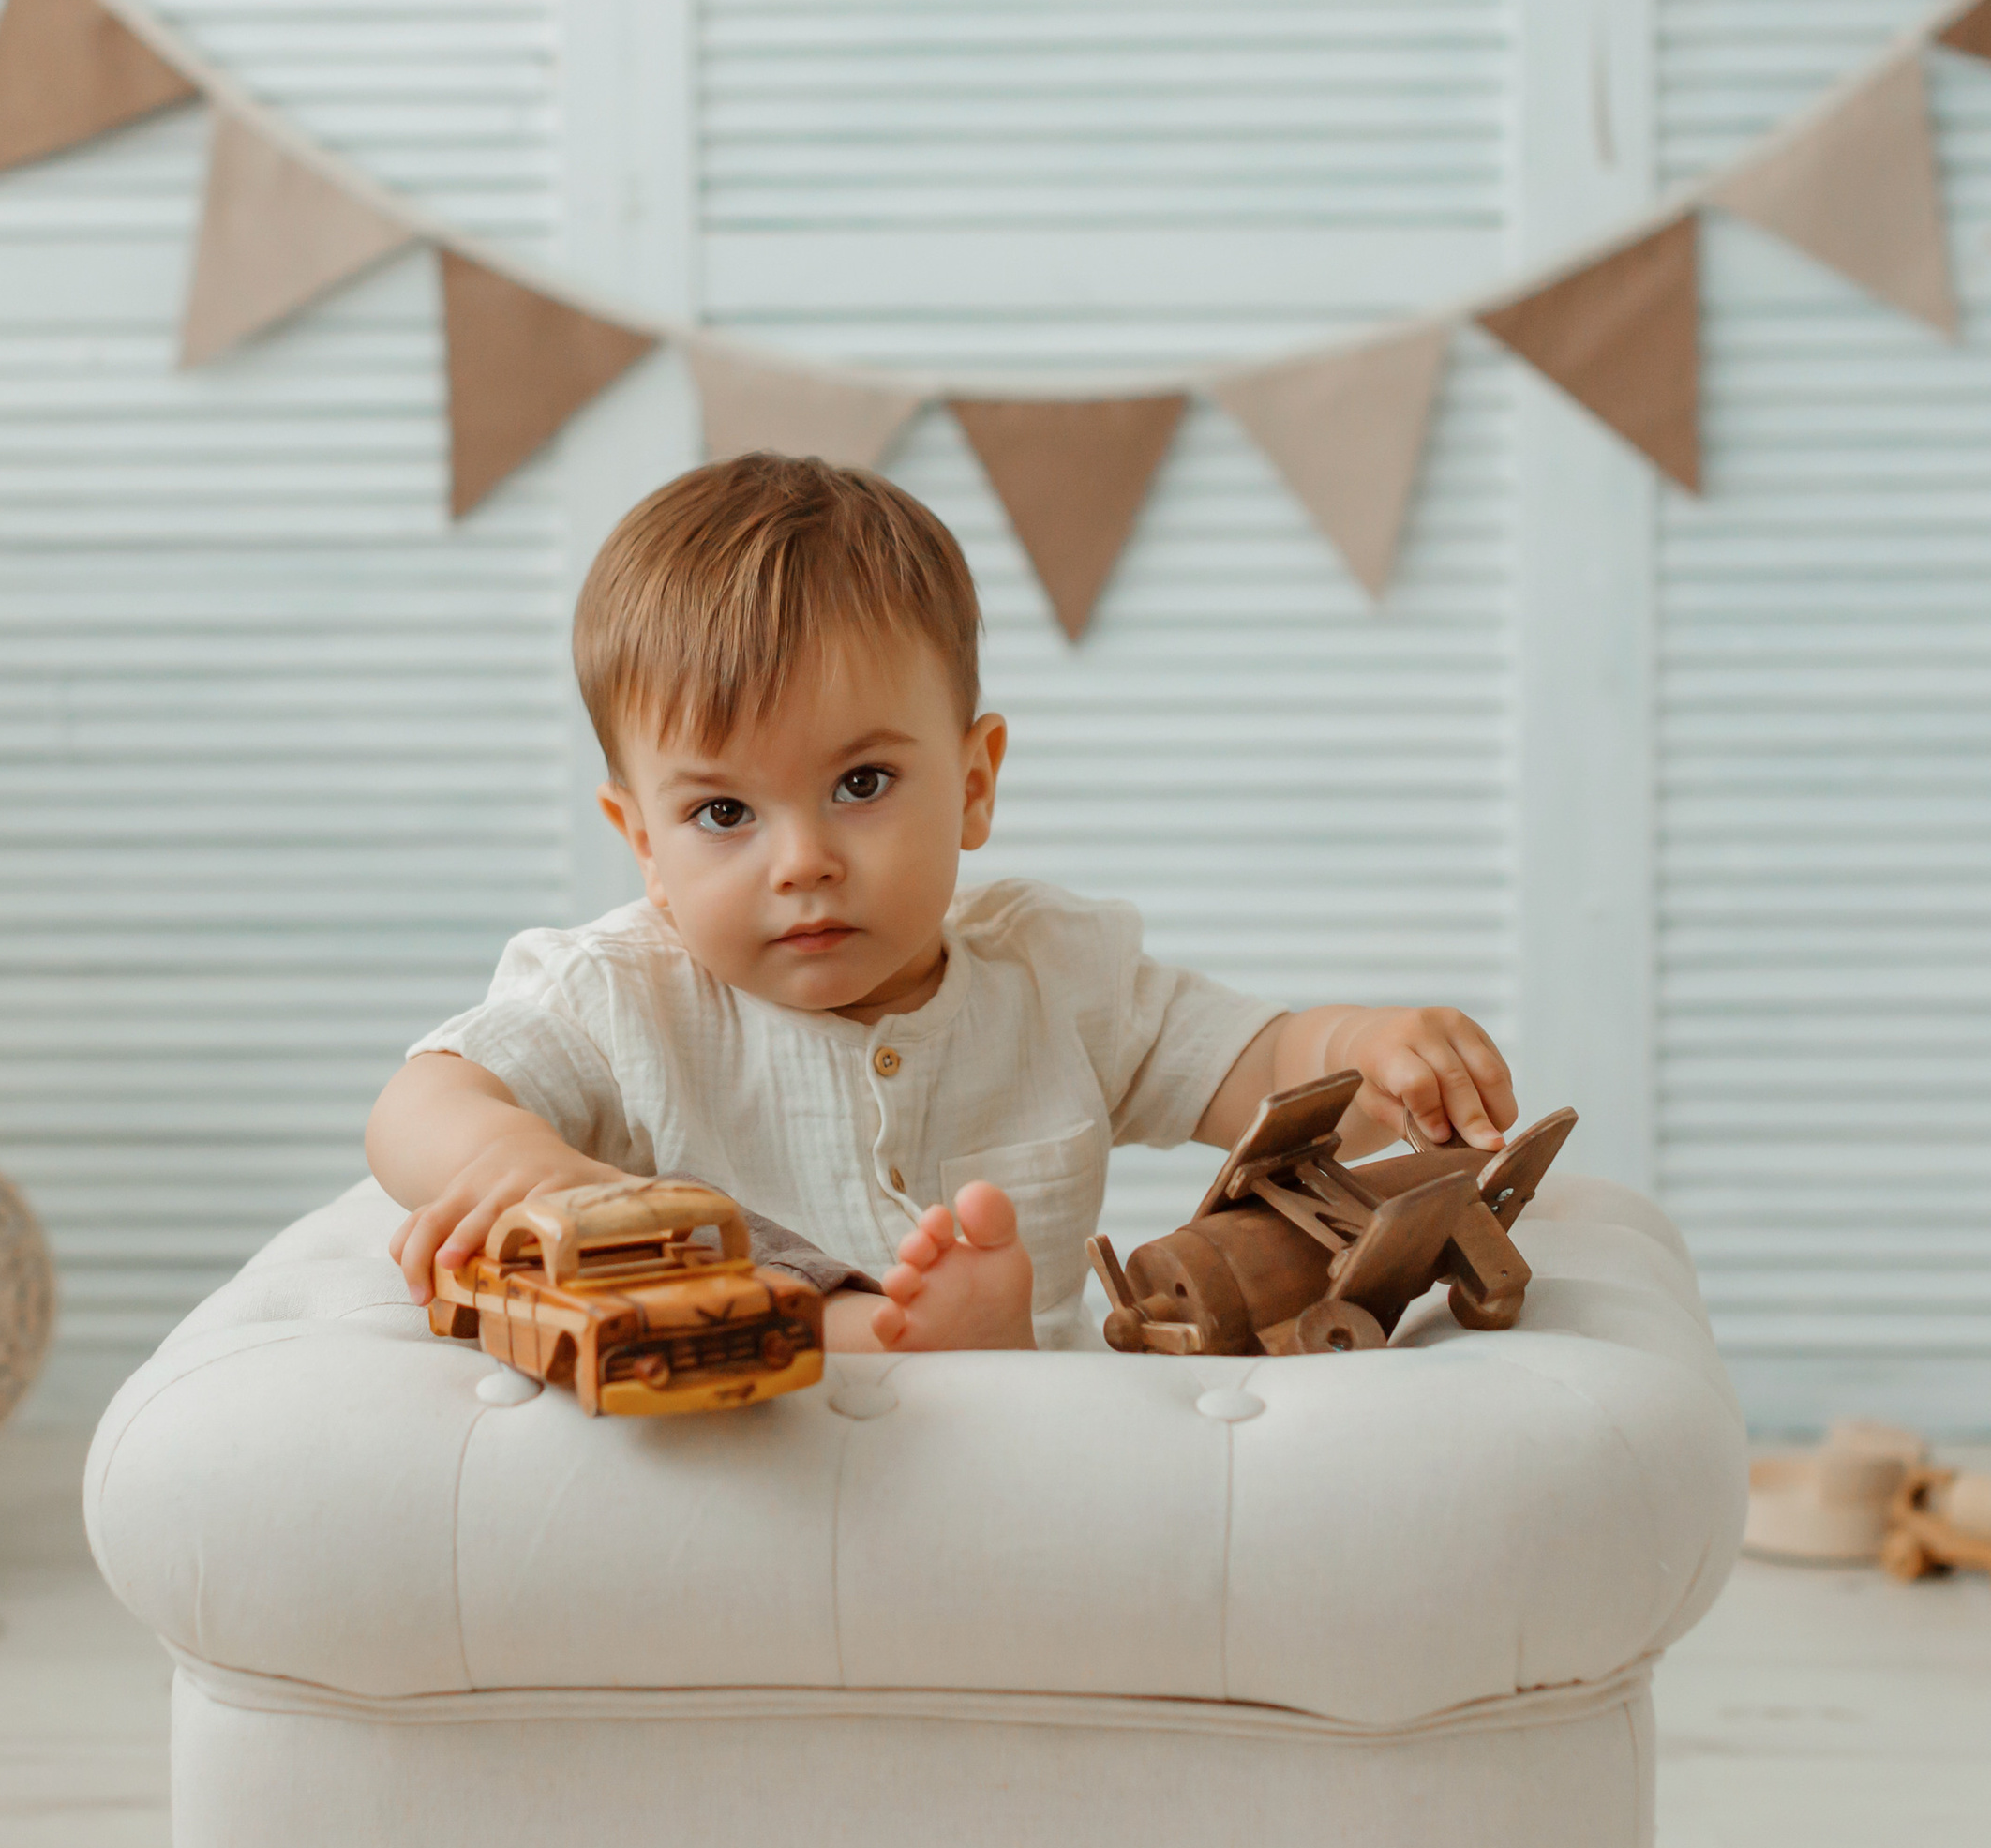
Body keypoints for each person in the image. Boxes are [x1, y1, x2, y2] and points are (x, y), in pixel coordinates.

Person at [367, 454, 1517, 1352]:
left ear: (973, 784)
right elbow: (421, 1100)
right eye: (723, 812)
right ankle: (885, 1339)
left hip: (1012, 1482)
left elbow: (1258, 1069)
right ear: (644, 846)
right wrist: (516, 1158)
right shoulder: (621, 998)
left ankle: (960, 1348)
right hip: (746, 1448)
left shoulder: (1056, 975)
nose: (802, 861)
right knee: (696, 1272)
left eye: (861, 785)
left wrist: (1366, 1051)